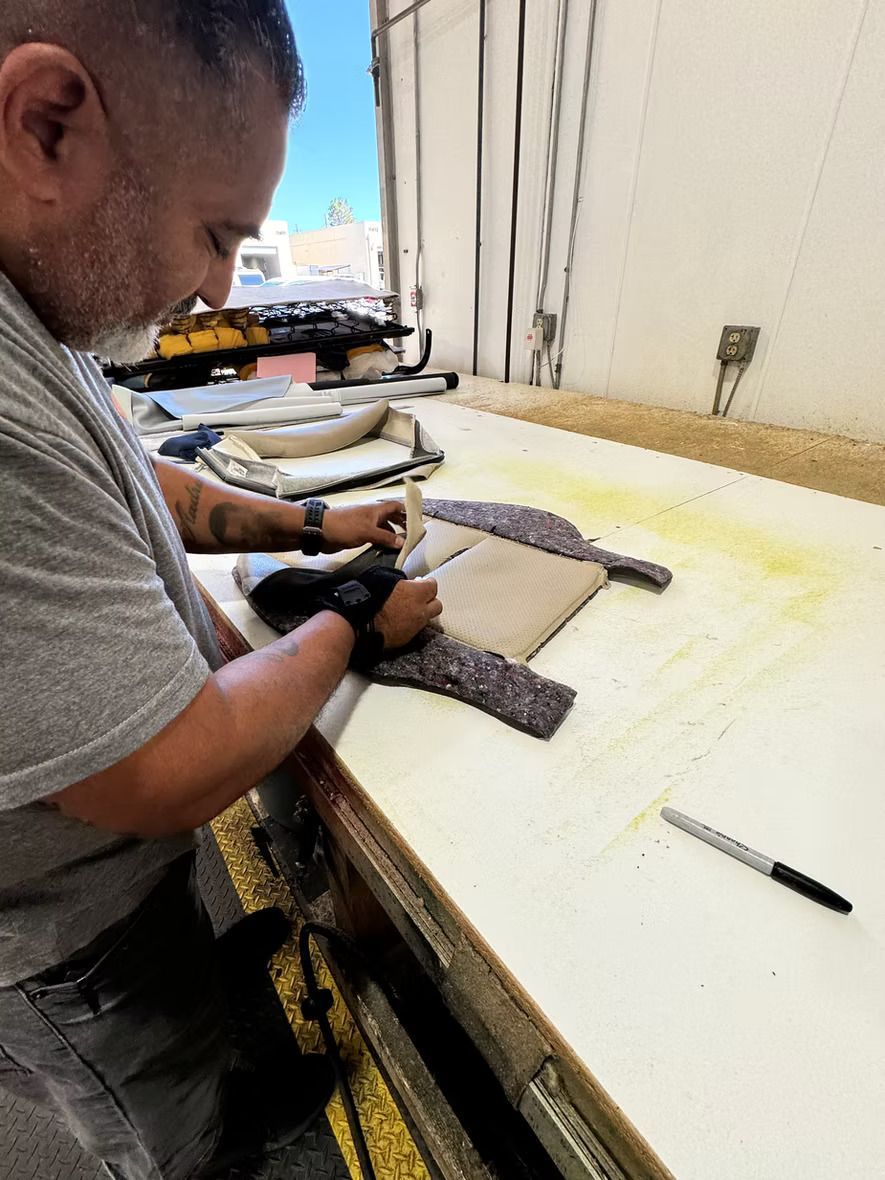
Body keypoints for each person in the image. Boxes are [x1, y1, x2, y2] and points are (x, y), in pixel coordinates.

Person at [0, 2, 442, 1177]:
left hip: (114, 889)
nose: (218, 288)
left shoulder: (37, 321)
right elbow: (170, 767)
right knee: (163, 1126)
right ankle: (217, 1147)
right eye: (214, 231)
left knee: (190, 996)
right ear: (46, 126)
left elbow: (130, 477)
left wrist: (311, 521)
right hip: (65, 941)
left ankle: (228, 1061)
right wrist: (351, 615)